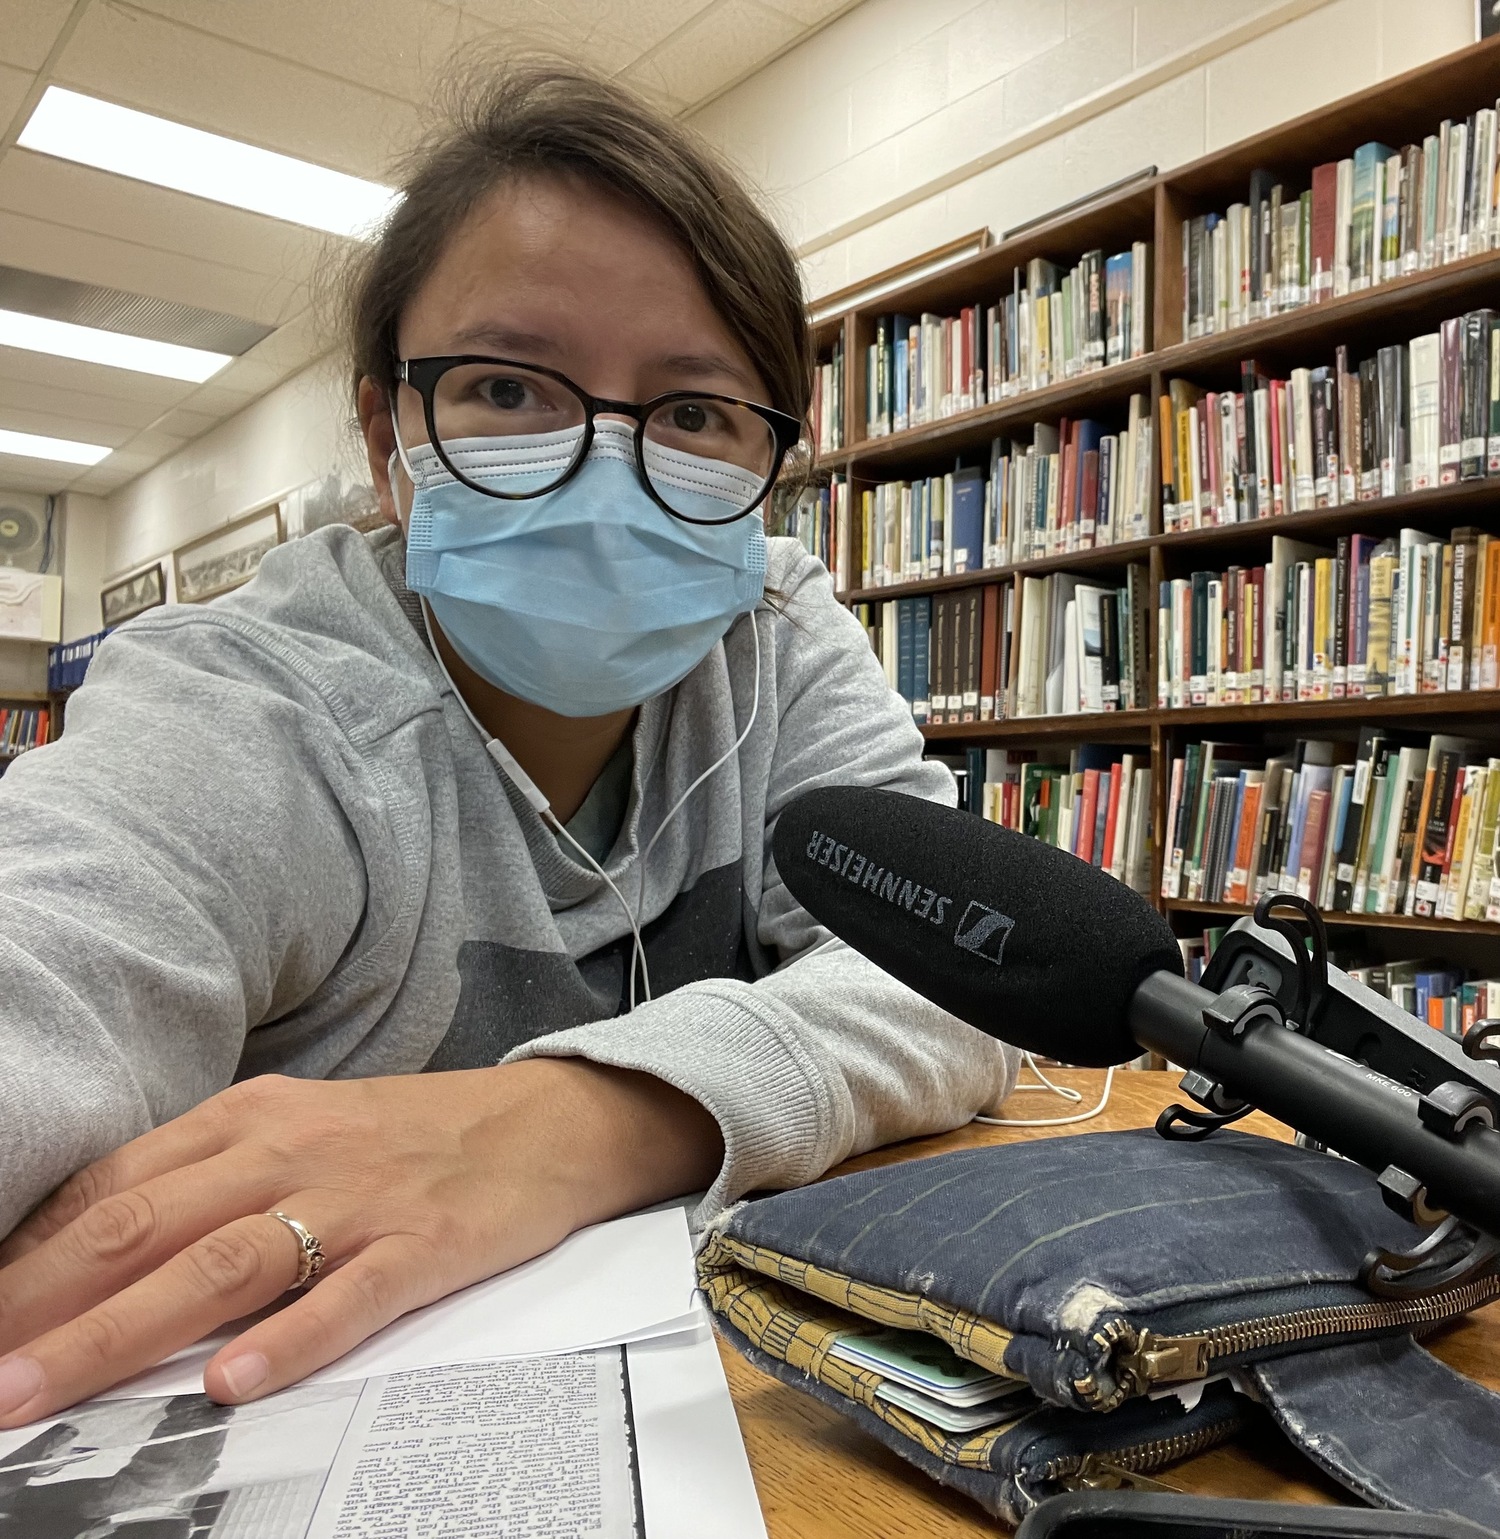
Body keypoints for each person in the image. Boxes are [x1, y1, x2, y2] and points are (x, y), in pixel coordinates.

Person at [0, 64, 1017, 1429]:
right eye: (506, 388)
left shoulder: (774, 633)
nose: (603, 463)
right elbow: (54, 957)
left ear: (772, 464)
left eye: (696, 413)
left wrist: (571, 1126)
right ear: (386, 439)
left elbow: (959, 972)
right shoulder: (251, 697)